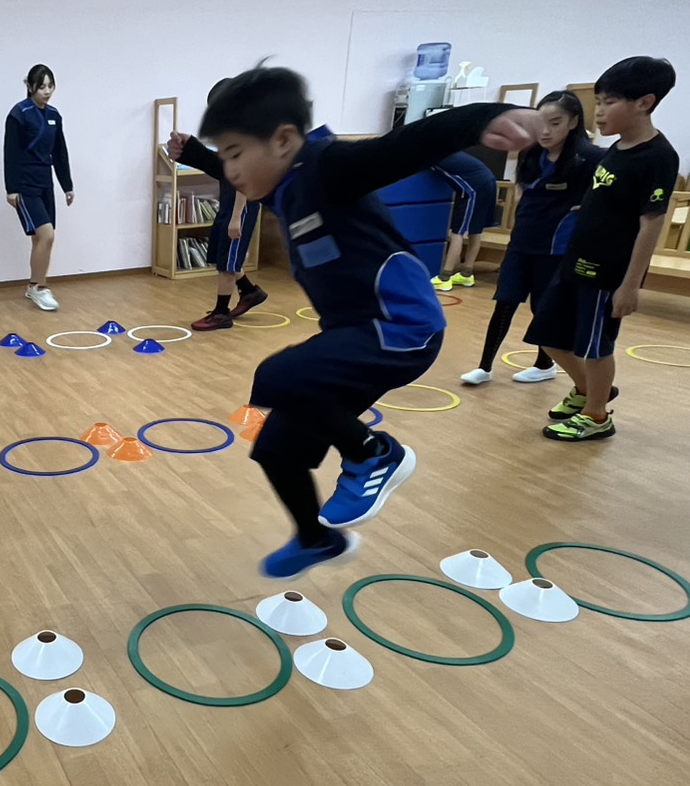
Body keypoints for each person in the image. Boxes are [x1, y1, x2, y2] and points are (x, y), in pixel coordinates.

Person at [197, 66, 541, 579]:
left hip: (401, 326)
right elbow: (245, 174)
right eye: (223, 156)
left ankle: (374, 453)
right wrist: (193, 154)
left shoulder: (330, 167)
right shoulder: (287, 185)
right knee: (276, 448)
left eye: (234, 154)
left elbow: (405, 145)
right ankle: (316, 539)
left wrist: (485, 116)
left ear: (284, 140)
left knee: (278, 375)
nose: (230, 170)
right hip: (357, 333)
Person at [527, 56, 679, 442]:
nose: (598, 111)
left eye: (609, 102)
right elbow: (613, 199)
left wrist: (630, 286)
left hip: (607, 272)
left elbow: (651, 223)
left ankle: (597, 416)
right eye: (598, 101)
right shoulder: (616, 148)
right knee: (547, 333)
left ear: (644, 102)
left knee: (595, 347)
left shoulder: (657, 156)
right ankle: (588, 391)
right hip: (575, 261)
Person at [461, 91, 603, 387]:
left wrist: (590, 208)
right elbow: (522, 190)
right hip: (522, 242)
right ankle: (484, 367)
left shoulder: (590, 158)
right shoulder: (531, 154)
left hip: (557, 247)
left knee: (543, 307)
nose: (546, 131)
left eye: (555, 123)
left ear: (573, 122)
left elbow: (608, 193)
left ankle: (544, 364)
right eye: (541, 122)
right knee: (505, 301)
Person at [166, 78, 271, 331]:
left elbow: (245, 176)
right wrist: (191, 149)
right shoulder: (234, 133)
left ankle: (221, 313)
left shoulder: (250, 134)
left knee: (228, 263)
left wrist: (236, 217)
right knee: (219, 254)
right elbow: (223, 168)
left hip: (240, 205)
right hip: (229, 201)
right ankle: (249, 292)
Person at [4, 64, 73, 311]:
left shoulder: (54, 115)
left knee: (39, 239)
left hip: (45, 183)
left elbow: (60, 152)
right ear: (30, 86)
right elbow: (10, 153)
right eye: (42, 86)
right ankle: (40, 287)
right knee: (47, 235)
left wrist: (67, 185)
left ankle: (33, 285)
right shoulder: (19, 114)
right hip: (25, 185)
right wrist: (11, 188)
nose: (47, 91)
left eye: (50, 86)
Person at [430, 150, 499, 291]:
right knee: (475, 230)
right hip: (489, 181)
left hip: (474, 187)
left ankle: (444, 278)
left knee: (458, 231)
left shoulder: (433, 155)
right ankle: (466, 274)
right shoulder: (448, 151)